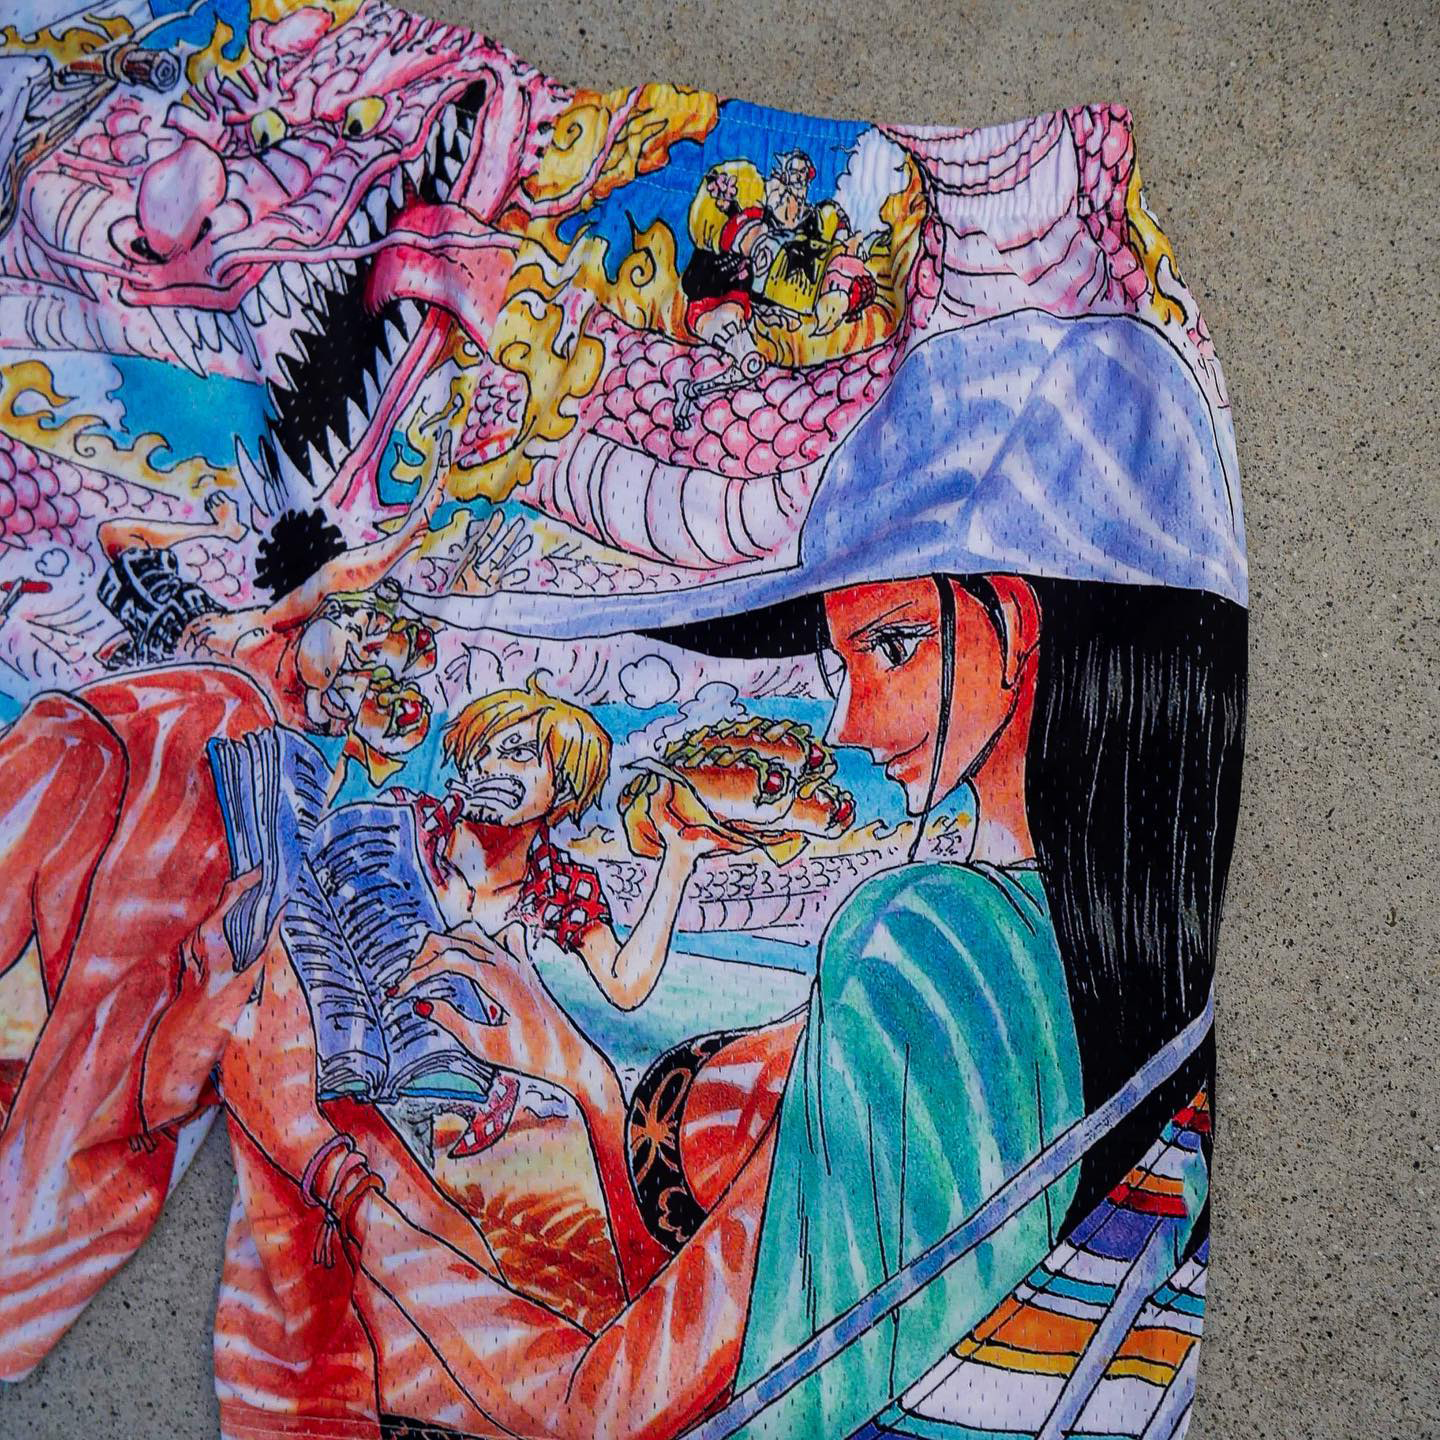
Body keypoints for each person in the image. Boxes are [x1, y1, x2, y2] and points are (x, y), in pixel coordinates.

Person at [245, 567, 1244, 1440]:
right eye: (844, 666)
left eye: (893, 647)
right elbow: (723, 1304)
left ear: (1017, 628)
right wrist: (589, 1082)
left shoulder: (930, 948)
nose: (848, 727)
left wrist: (321, 1161)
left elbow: (608, 1405)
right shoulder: (1104, 976)